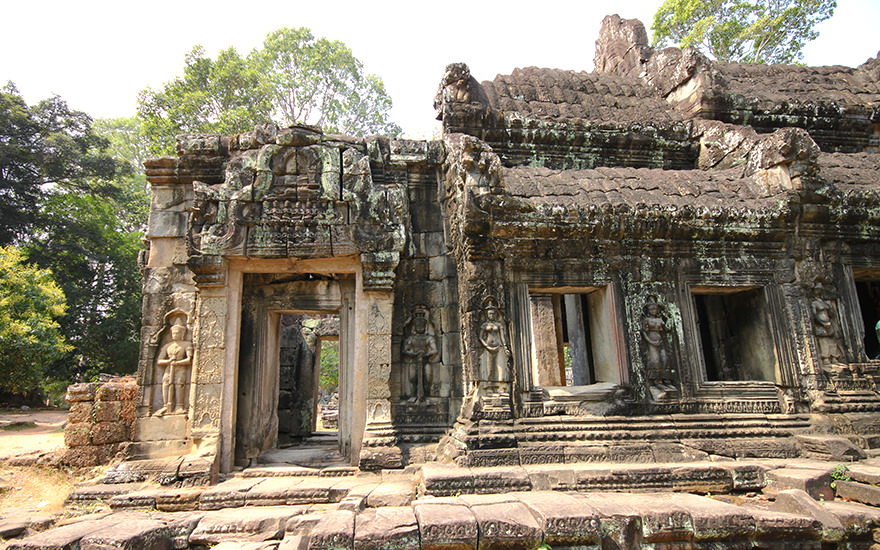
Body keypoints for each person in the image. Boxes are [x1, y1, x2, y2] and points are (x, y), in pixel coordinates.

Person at [154, 319, 193, 416]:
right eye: (173, 333)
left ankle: (179, 405)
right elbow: (159, 361)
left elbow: (189, 360)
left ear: (182, 334)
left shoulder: (186, 344)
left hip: (180, 369)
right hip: (169, 369)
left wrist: (178, 362)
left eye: (177, 333)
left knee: (179, 384)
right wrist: (168, 361)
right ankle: (166, 406)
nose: (174, 335)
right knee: (166, 384)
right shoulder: (168, 346)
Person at [402, 305, 439, 402]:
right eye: (418, 325)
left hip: (425, 360)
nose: (420, 327)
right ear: (414, 326)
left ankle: (426, 396)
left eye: (422, 325)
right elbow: (404, 350)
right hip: (414, 361)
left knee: (427, 377)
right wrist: (414, 354)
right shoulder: (411, 339)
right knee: (412, 377)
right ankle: (413, 395)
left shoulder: (429, 338)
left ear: (425, 326)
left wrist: (426, 354)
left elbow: (434, 350)